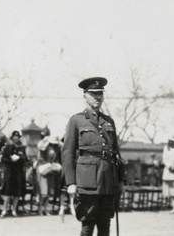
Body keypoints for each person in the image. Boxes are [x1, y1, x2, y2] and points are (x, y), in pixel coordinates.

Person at [62, 77, 125, 236]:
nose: (98, 97)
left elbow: (116, 152)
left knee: (105, 225)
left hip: (107, 180)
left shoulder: (108, 121)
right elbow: (68, 153)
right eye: (93, 94)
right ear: (85, 96)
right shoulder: (76, 121)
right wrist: (71, 182)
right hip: (87, 181)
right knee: (88, 225)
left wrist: (120, 180)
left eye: (100, 94)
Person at [34, 127, 63, 215]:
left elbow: (63, 147)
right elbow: (40, 147)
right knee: (43, 191)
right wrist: (47, 140)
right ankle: (39, 209)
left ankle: (46, 209)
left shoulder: (56, 147)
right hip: (42, 168)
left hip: (51, 169)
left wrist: (57, 141)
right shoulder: (43, 145)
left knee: (49, 191)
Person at [0, 130, 28, 217]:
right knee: (8, 192)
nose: (16, 138)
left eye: (17, 137)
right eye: (14, 137)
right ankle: (4, 210)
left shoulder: (22, 147)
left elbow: (25, 159)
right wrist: (10, 159)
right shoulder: (8, 147)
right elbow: (3, 159)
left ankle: (14, 210)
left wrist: (20, 158)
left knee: (17, 193)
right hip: (10, 171)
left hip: (18, 172)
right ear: (12, 138)